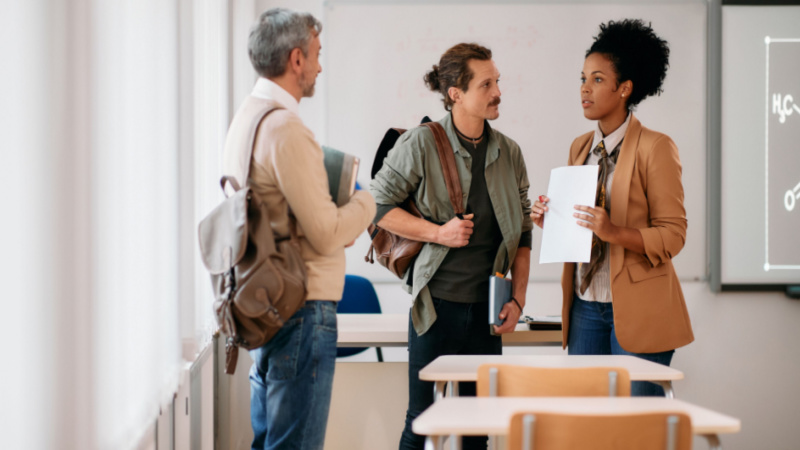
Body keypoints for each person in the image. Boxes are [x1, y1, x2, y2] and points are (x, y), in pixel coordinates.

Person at [222, 8, 376, 449]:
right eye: (317, 55)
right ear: (296, 60)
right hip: (302, 310)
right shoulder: (286, 128)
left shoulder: (246, 119)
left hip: (266, 303)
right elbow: (328, 232)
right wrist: (368, 199)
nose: (320, 67)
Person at [370, 43, 533, 450]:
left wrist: (519, 299)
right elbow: (375, 206)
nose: (497, 92)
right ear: (456, 94)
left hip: (488, 313)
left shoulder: (509, 153)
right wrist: (438, 233)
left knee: (478, 431)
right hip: (435, 310)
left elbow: (525, 231)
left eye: (498, 82)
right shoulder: (422, 143)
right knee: (423, 424)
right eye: (486, 84)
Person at [531, 19, 694, 396]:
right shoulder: (579, 147)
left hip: (639, 309)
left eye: (598, 79)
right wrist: (552, 221)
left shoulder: (656, 147)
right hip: (585, 305)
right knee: (588, 425)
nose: (585, 89)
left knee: (636, 428)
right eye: (583, 78)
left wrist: (614, 232)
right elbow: (583, 229)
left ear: (625, 88)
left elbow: (674, 235)